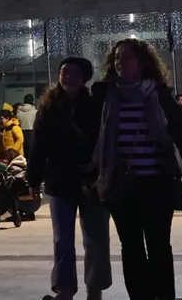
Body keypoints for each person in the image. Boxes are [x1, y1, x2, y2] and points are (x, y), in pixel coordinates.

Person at [91, 38, 182, 300]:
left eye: (128, 57)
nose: (121, 62)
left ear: (142, 63)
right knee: (130, 247)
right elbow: (88, 137)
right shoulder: (105, 95)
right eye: (118, 57)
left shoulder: (159, 94)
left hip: (157, 184)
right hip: (120, 186)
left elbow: (181, 134)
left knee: (158, 247)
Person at [26, 57, 110, 300]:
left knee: (95, 238)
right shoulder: (49, 107)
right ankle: (64, 289)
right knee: (62, 239)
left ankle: (94, 289)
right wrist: (33, 179)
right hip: (59, 181)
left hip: (91, 180)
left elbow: (104, 140)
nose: (67, 76)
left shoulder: (95, 104)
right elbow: (38, 147)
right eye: (64, 71)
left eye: (73, 72)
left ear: (84, 76)